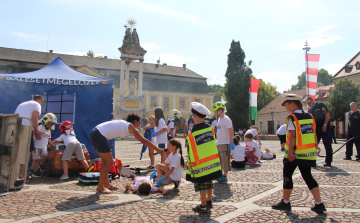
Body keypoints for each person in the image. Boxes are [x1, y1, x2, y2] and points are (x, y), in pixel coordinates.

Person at [272, 93, 326, 212]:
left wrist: (290, 153)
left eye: (286, 105)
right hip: (308, 153)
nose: (286, 108)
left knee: (287, 176)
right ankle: (319, 203)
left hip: (295, 154)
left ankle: (285, 202)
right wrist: (316, 145)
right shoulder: (310, 116)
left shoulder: (292, 118)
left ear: (292, 104)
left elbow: (292, 136)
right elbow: (313, 133)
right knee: (308, 176)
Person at [90, 114, 164, 194]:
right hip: (99, 135)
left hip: (95, 132)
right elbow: (144, 141)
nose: (139, 125)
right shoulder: (130, 127)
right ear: (134, 121)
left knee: (105, 162)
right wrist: (158, 150)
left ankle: (107, 185)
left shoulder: (124, 124)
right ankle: (100, 188)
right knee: (108, 163)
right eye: (139, 123)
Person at [186, 102, 222, 213]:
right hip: (212, 162)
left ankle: (203, 205)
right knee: (209, 182)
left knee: (202, 184)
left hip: (201, 164)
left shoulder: (193, 132)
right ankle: (209, 201)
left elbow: (190, 148)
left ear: (195, 116)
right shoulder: (210, 128)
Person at [15, 95, 44, 178]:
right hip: (26, 127)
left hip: (16, 126)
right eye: (42, 102)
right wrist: (36, 131)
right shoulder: (36, 104)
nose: (41, 105)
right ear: (40, 100)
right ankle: (23, 173)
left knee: (17, 149)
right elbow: (34, 118)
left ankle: (15, 172)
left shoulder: (23, 104)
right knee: (28, 150)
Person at [306, 97, 333, 167]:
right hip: (316, 128)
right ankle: (312, 160)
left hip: (324, 126)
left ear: (313, 101)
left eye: (309, 103)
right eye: (307, 104)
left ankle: (328, 161)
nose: (309, 105)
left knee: (327, 143)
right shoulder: (310, 110)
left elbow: (327, 114)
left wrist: (325, 124)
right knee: (314, 144)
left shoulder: (321, 105)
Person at [212, 102, 234, 183]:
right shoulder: (219, 119)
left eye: (215, 111)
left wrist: (231, 142)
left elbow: (231, 130)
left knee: (225, 160)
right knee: (219, 160)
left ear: (220, 110)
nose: (214, 113)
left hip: (225, 143)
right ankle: (220, 175)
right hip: (219, 143)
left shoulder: (226, 119)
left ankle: (225, 176)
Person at [31, 113, 57, 177]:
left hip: (43, 146)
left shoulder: (49, 130)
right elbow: (36, 131)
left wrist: (52, 143)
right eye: (50, 123)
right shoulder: (41, 127)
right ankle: (35, 172)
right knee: (36, 159)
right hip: (37, 146)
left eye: (52, 124)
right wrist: (44, 133)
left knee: (45, 155)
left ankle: (41, 164)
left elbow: (48, 139)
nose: (50, 125)